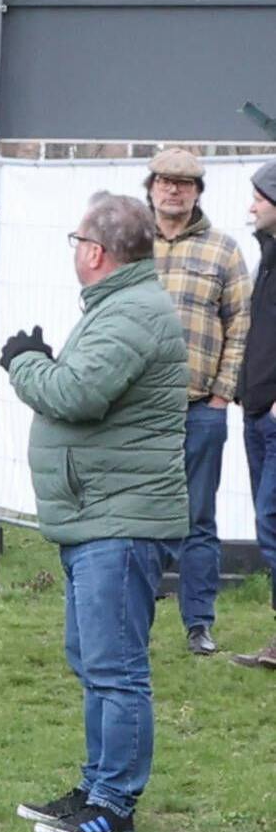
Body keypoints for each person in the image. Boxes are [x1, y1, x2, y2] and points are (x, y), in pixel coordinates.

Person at [2, 192, 188, 832]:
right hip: (101, 516)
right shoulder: (121, 307)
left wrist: (25, 361)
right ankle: (95, 785)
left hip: (121, 521)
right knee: (95, 659)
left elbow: (76, 394)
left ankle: (114, 805)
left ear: (94, 251)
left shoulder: (131, 311)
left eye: (77, 241)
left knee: (116, 667)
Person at [146, 146, 251, 655]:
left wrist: (220, 395)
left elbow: (241, 326)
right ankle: (133, 619)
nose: (173, 190)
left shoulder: (224, 251)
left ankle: (198, 624)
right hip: (137, 410)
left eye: (184, 184)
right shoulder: (129, 242)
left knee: (199, 519)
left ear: (197, 192)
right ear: (151, 187)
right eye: (165, 181)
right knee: (137, 516)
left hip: (199, 409)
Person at [230, 161, 276, 670]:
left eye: (260, 197)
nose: (251, 206)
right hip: (258, 414)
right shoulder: (268, 256)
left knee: (272, 520)